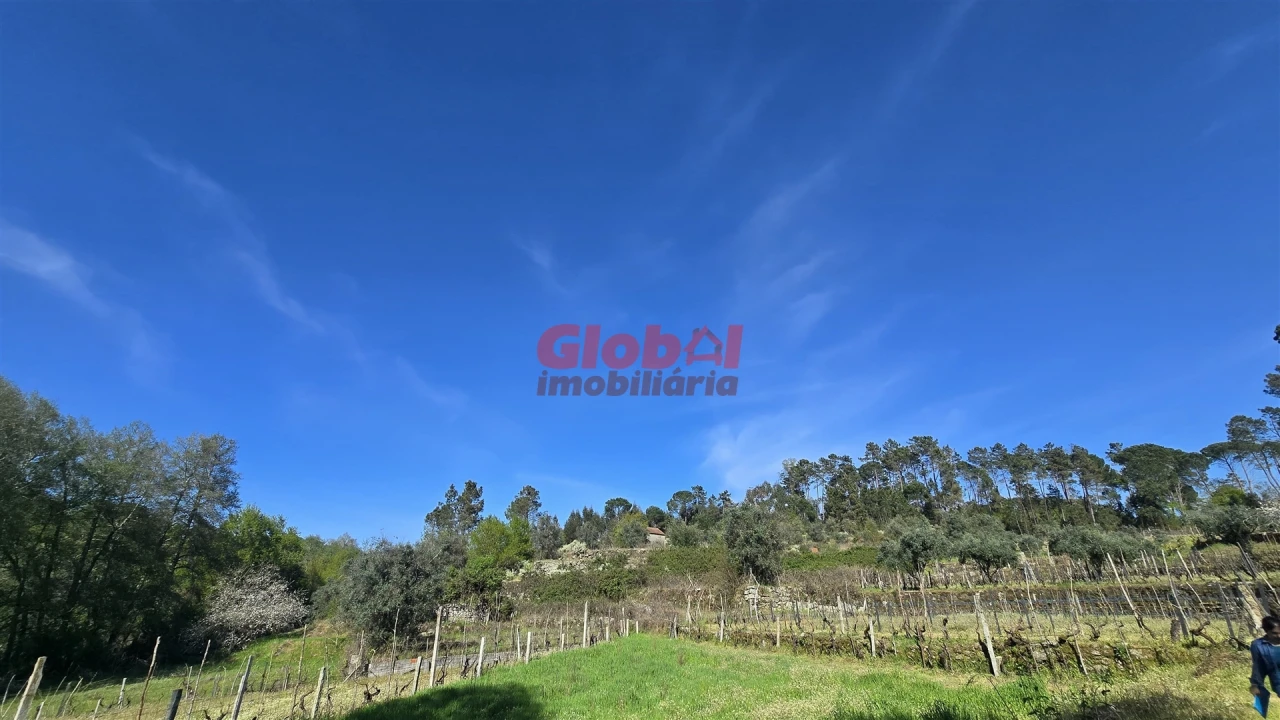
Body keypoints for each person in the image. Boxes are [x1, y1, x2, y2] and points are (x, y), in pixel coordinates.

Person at [1252, 616, 1280, 716]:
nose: (1279, 636)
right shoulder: (1259, 645)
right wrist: (1256, 684)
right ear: (1266, 631)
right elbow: (1258, 666)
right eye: (1275, 633)